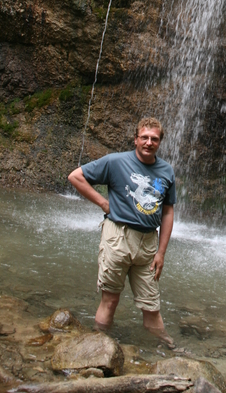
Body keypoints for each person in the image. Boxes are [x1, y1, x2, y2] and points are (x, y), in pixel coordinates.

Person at [68, 117, 176, 346]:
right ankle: (98, 348)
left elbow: (168, 212)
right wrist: (103, 203)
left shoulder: (167, 171)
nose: (149, 142)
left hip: (148, 243)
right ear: (135, 139)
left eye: (154, 139)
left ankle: (168, 348)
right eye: (144, 137)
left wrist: (161, 252)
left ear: (160, 142)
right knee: (110, 300)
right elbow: (75, 177)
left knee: (152, 305)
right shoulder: (116, 162)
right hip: (118, 236)